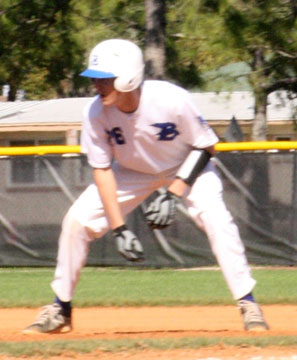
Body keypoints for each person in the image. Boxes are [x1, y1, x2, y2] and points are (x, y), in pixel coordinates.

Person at [23, 39, 269, 334]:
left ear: (128, 77)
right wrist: (118, 227)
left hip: (188, 166)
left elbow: (206, 146)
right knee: (76, 221)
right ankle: (60, 308)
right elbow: (101, 170)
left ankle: (247, 303)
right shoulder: (96, 113)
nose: (97, 86)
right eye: (94, 79)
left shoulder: (171, 99)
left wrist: (174, 191)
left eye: (104, 79)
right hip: (132, 171)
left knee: (217, 218)